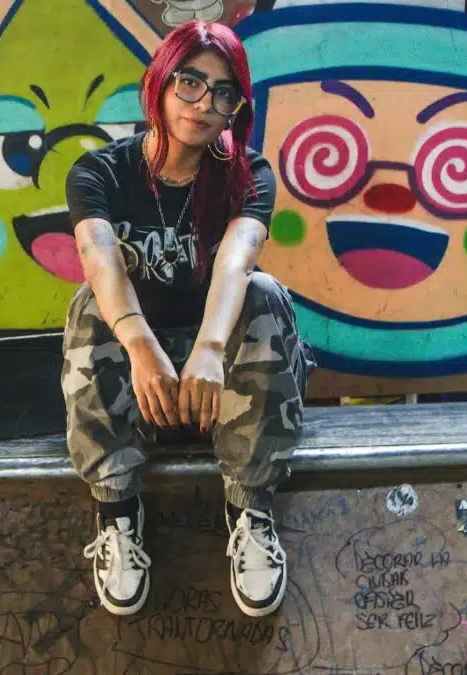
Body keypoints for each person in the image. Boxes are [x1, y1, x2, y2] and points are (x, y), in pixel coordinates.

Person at [62, 20, 315, 618]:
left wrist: (206, 349)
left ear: (237, 108)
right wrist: (145, 349)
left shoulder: (248, 173)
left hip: (220, 390)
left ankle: (249, 508)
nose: (204, 104)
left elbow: (235, 262)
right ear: (159, 83)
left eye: (224, 92)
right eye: (190, 83)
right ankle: (118, 511)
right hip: (141, 387)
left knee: (264, 291)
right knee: (89, 301)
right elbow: (99, 260)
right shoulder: (101, 172)